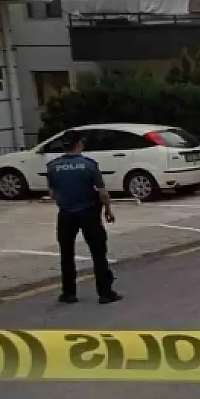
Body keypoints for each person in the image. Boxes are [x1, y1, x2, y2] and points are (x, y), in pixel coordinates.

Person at [46, 130, 122, 305]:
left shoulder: (53, 166)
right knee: (98, 252)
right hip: (88, 212)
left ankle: (68, 293)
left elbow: (52, 193)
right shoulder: (89, 165)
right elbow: (102, 193)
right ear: (79, 143)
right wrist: (108, 210)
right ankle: (105, 292)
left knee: (66, 253)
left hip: (65, 214)